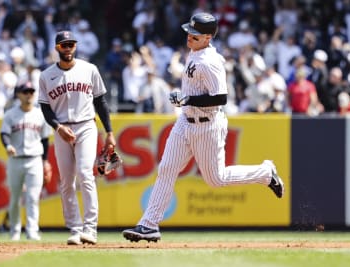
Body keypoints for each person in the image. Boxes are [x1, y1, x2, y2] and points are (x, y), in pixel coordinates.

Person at [122, 12, 285, 242]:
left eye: (196, 35)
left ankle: (265, 173)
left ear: (208, 37)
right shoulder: (195, 52)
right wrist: (186, 100)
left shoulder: (210, 62)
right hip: (185, 123)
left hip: (207, 125)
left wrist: (187, 99)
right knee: (167, 168)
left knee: (216, 180)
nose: (190, 36)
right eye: (190, 31)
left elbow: (221, 98)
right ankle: (148, 225)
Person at [38, 31, 116, 245]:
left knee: (85, 173)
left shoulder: (89, 69)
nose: (68, 48)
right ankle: (74, 228)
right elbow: (45, 109)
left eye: (71, 44)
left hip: (86, 126)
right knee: (66, 182)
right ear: (57, 48)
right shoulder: (46, 76)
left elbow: (101, 102)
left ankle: (90, 229)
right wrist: (57, 127)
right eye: (64, 45)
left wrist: (109, 132)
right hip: (62, 129)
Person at [0, 82, 52, 241]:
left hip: (35, 159)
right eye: (25, 91)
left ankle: (32, 230)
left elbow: (45, 140)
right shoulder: (10, 114)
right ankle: (15, 231)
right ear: (19, 94)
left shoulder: (40, 114)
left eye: (31, 91)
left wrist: (45, 161)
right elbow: (4, 134)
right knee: (15, 198)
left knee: (32, 197)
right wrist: (8, 145)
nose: (29, 94)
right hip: (15, 160)